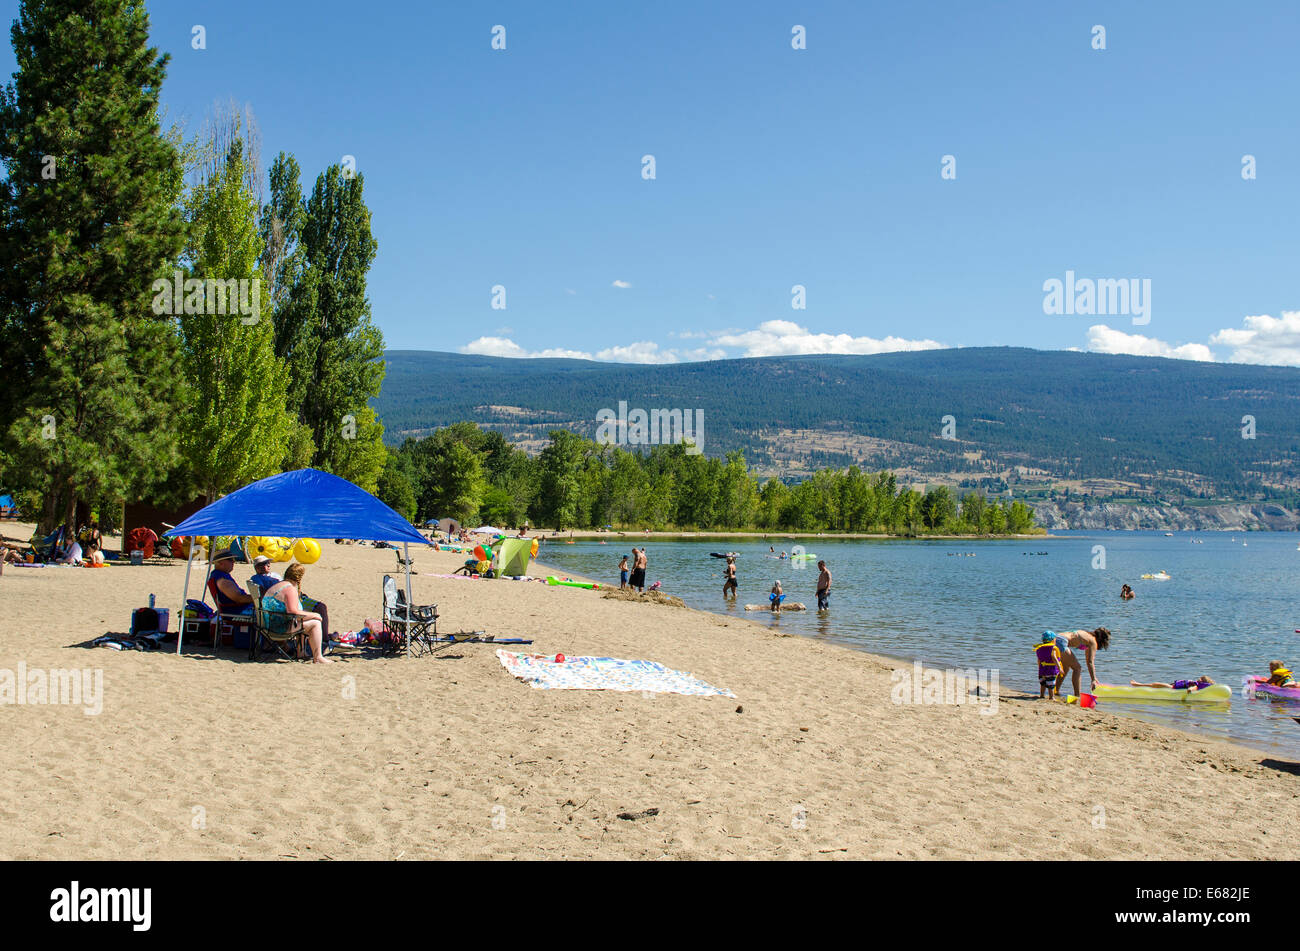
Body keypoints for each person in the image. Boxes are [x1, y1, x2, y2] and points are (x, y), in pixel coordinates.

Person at [263, 563, 331, 663]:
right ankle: (318, 657)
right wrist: (316, 615)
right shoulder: (289, 589)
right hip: (278, 628)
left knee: (306, 619)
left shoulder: (278, 585)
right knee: (315, 623)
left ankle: (301, 652)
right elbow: (293, 612)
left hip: (267, 625)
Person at [1049, 627, 1111, 698]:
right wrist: (1093, 679)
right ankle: (1077, 695)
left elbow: (1088, 660)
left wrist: (1093, 677)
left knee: (1066, 668)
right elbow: (1090, 662)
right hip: (1061, 642)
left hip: (1054, 639)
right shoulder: (1093, 641)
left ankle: (1056, 691)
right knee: (1077, 668)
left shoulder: (1087, 635)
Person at [208, 549, 254, 614]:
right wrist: (259, 599)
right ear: (220, 563)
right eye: (230, 560)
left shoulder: (220, 575)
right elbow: (239, 598)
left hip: (239, 609)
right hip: (238, 611)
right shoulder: (222, 579)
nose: (233, 562)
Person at [1129, 676, 1215, 691]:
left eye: (1201, 678)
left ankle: (1137, 685)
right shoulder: (1196, 684)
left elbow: (1192, 688)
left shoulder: (1196, 685)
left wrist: (1189, 690)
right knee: (1156, 685)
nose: (1198, 678)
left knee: (1155, 684)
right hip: (1173, 686)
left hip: (1172, 688)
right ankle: (1138, 685)